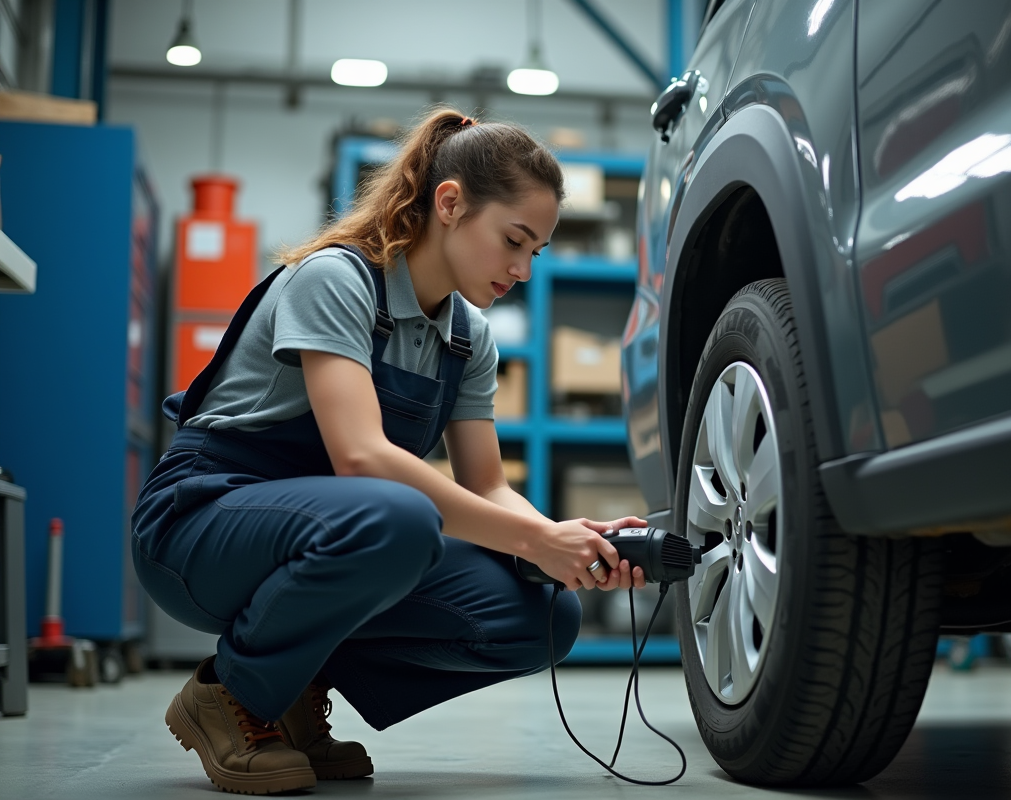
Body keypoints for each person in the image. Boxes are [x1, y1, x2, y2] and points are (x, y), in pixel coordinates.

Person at [131, 108, 647, 795]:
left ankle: (294, 687)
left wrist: (560, 543)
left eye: (536, 253)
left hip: (332, 533)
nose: (522, 269)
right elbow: (363, 459)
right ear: (450, 202)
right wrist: (533, 538)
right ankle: (231, 695)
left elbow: (489, 489)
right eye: (513, 241)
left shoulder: (468, 340)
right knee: (396, 518)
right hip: (200, 524)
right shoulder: (337, 281)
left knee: (545, 614)